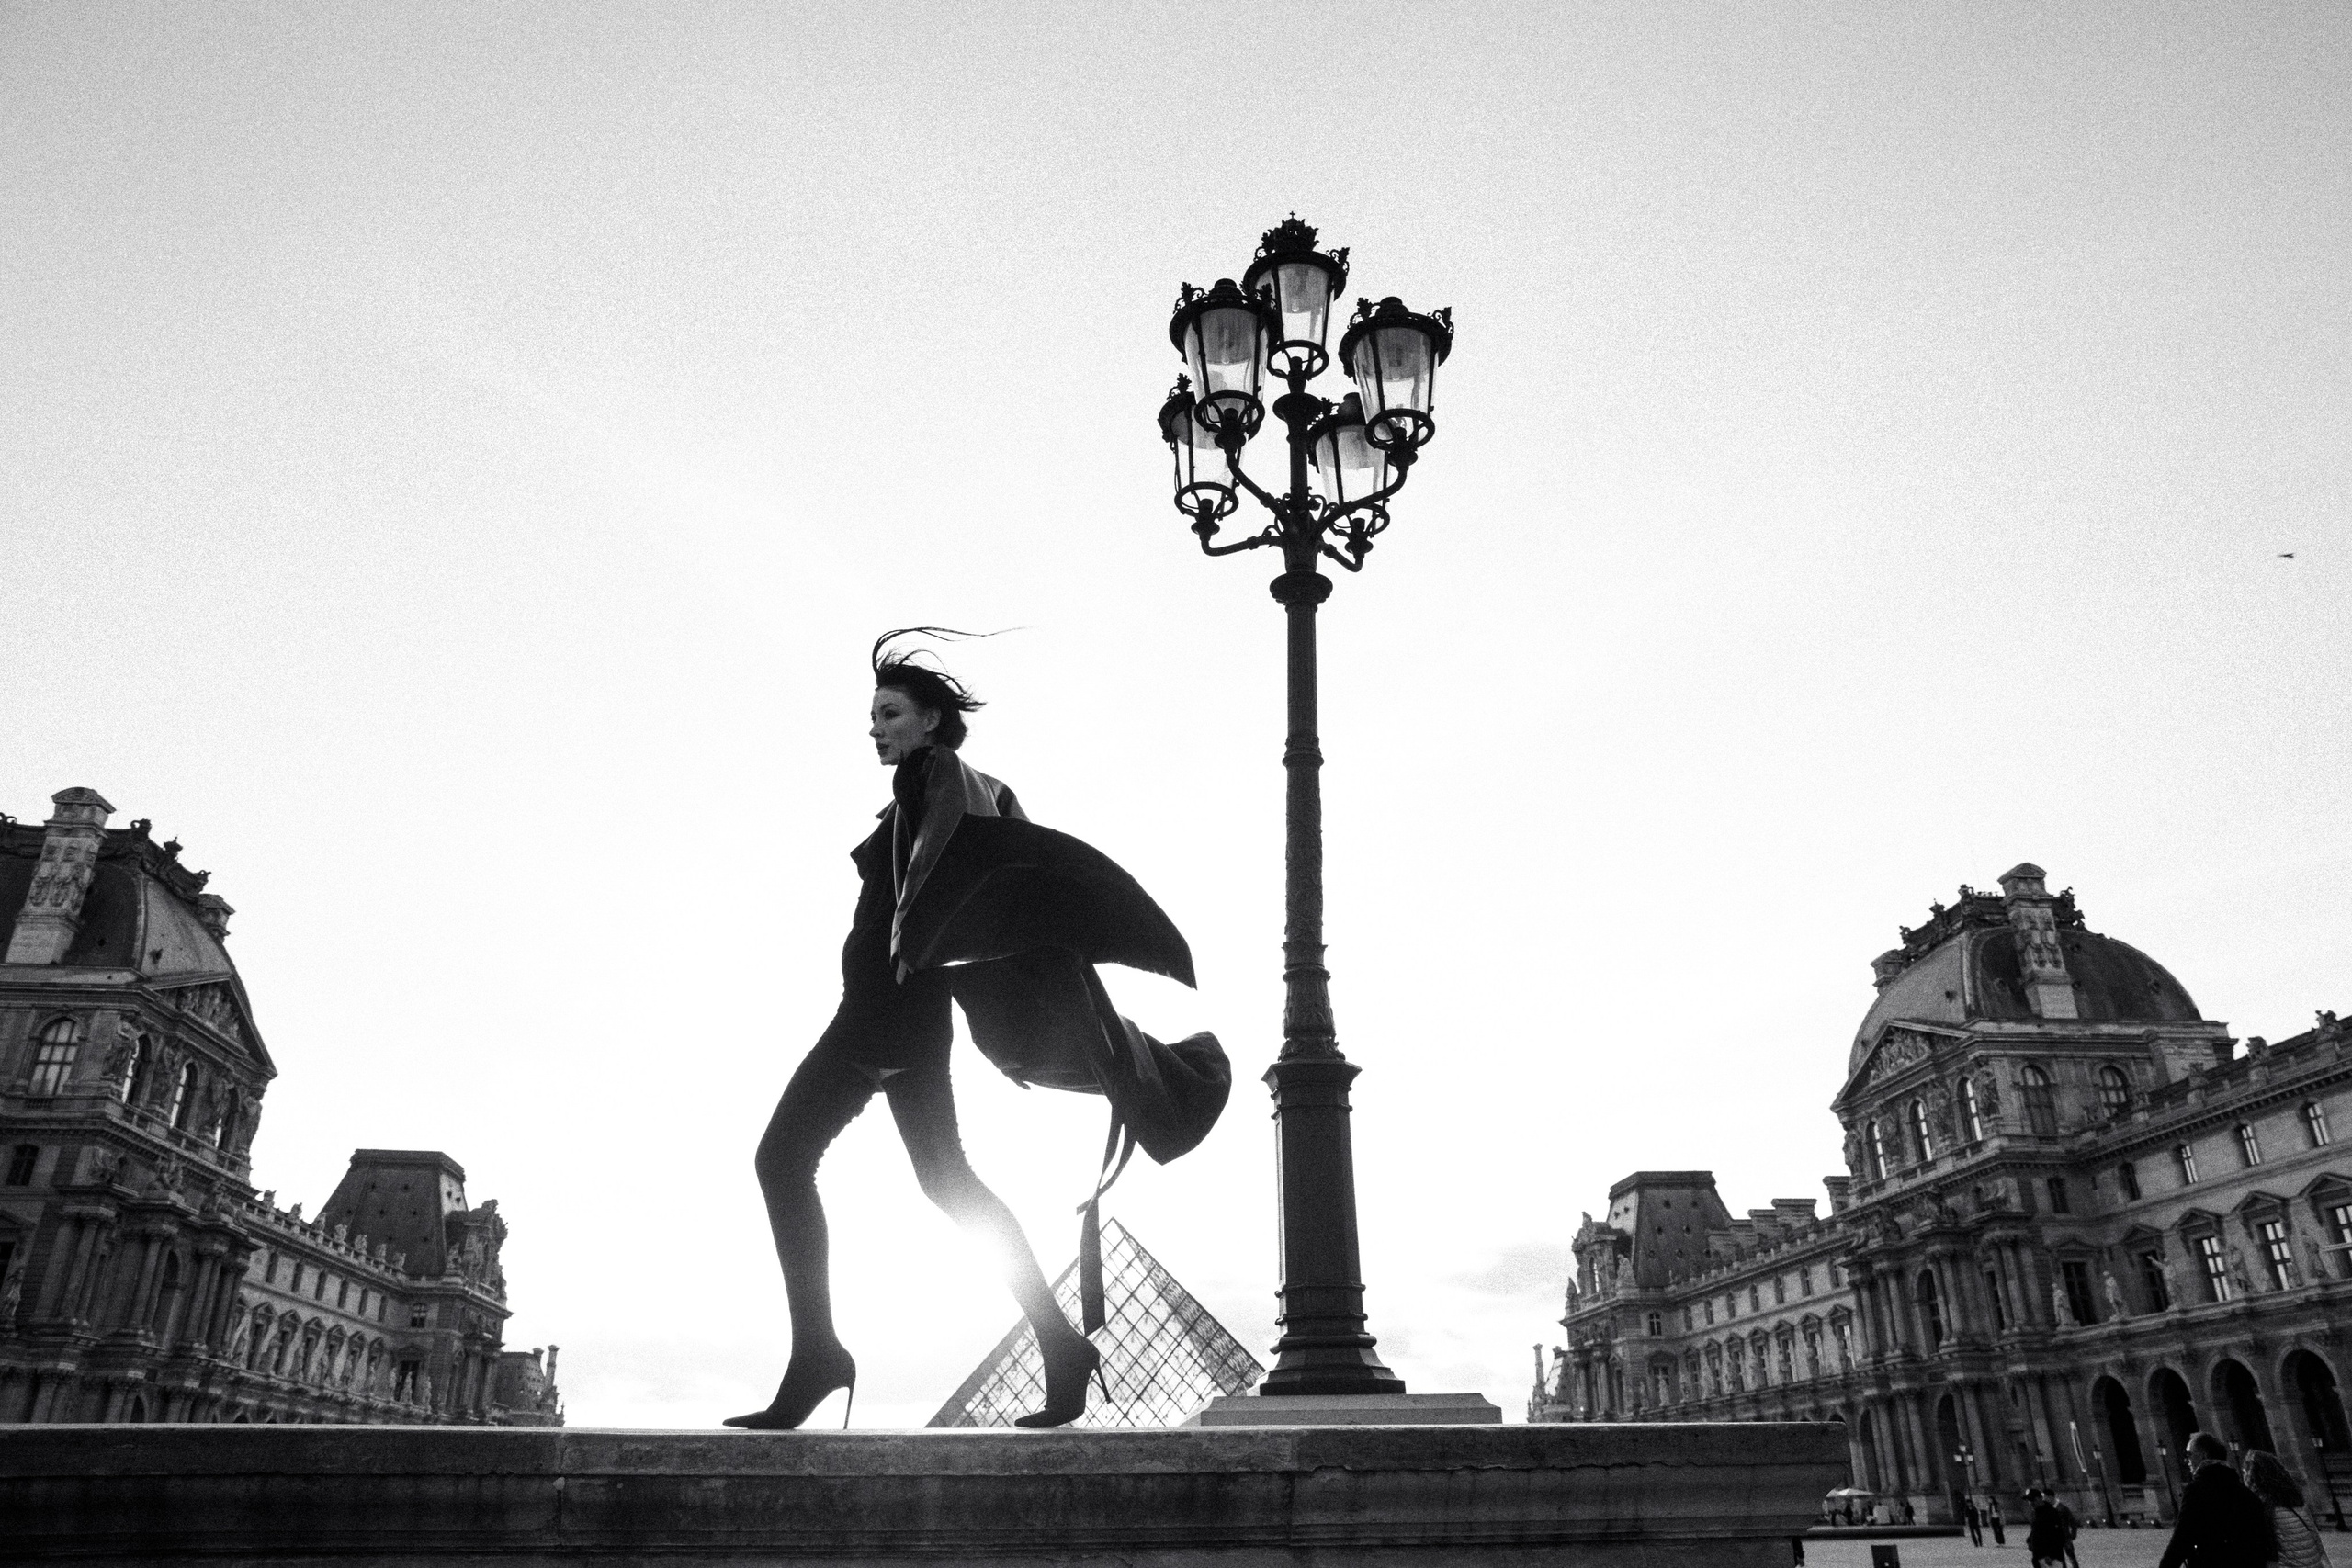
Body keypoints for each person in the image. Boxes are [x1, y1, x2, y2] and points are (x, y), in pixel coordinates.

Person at [727, 631, 1225, 1431]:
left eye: (890, 712)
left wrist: (908, 933)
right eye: (873, 716)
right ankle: (1058, 1342)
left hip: (878, 1014)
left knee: (782, 1159)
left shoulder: (937, 777)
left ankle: (817, 1352)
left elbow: (939, 873)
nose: (876, 727)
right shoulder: (931, 792)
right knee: (946, 1181)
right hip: (908, 1020)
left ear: (930, 721)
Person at [2156, 1432, 2276, 1568]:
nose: (2186, 1460)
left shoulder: (2198, 1489)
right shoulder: (2246, 1493)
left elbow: (2183, 1537)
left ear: (2203, 1456)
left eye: (2189, 1454)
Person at [2241, 1450, 2332, 1568]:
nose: (2244, 1478)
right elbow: (2316, 1540)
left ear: (2253, 1476)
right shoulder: (2296, 1502)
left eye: (2245, 1473)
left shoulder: (2263, 1507)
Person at [2028, 1488, 2071, 1568]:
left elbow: (2057, 1535)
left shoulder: (2051, 1512)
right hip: (2038, 1555)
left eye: (2033, 1500)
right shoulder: (2035, 1513)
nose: (2031, 1503)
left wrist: (2051, 1555)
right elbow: (2035, 1531)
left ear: (2040, 1499)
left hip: (2051, 1557)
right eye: (2029, 1501)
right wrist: (2030, 1540)